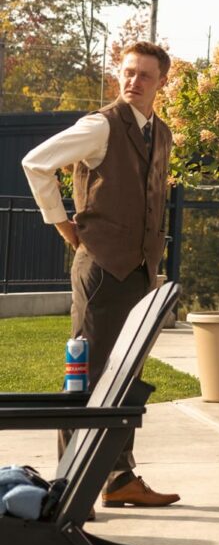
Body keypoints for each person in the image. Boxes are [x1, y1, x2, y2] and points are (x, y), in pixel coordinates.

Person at [22, 41, 180, 510]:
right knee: (86, 375)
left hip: (140, 270)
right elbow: (36, 162)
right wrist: (63, 224)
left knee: (126, 375)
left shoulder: (162, 133)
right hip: (101, 268)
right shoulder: (100, 125)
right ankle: (70, 488)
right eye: (128, 72)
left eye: (144, 75)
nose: (133, 81)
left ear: (162, 82)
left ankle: (118, 477)